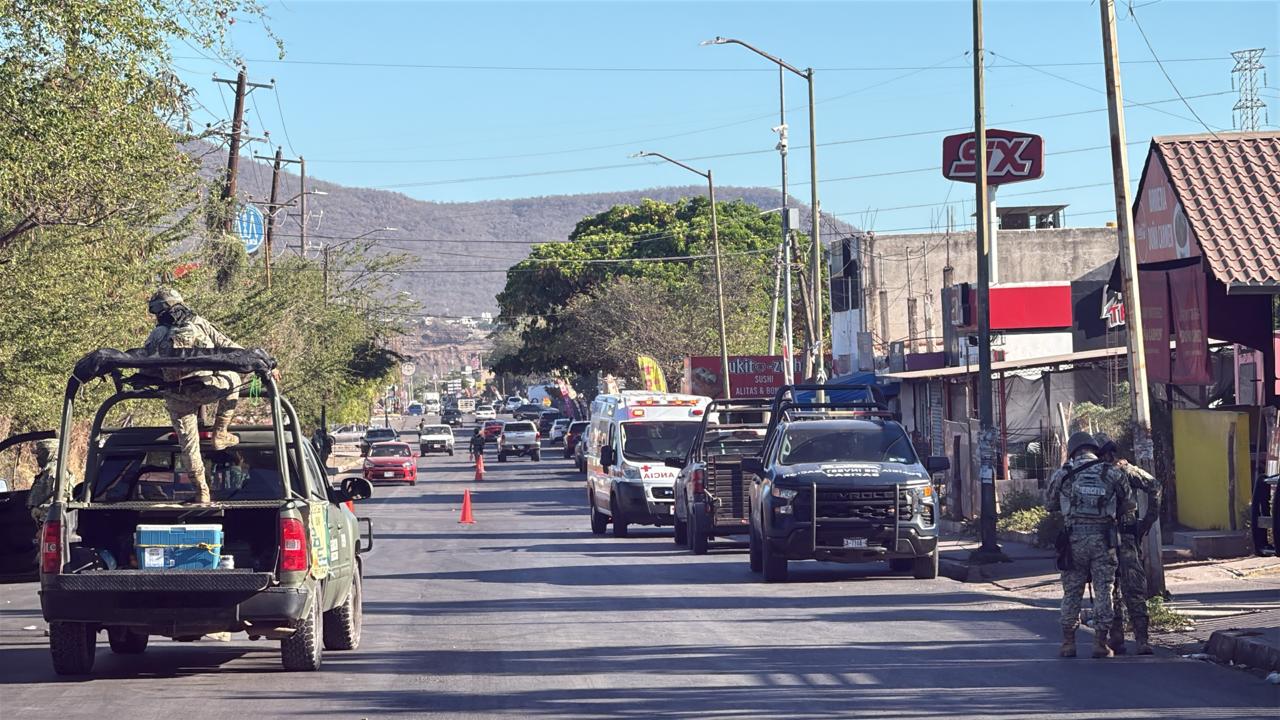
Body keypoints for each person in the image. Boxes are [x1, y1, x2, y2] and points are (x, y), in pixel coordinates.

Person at [143, 287, 243, 504]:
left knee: (188, 444)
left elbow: (145, 365)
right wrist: (265, 364)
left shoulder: (157, 333)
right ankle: (220, 432)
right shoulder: (199, 323)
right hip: (207, 388)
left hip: (176, 395)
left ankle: (201, 492)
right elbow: (230, 347)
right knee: (234, 377)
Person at [1044, 431, 1132, 659]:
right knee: (1105, 590)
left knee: (1072, 591)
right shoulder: (1112, 472)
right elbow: (1129, 503)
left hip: (1074, 541)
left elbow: (1049, 504)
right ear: (1094, 449)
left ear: (1073, 450)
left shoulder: (1064, 473)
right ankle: (1100, 643)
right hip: (1104, 540)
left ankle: (1068, 643)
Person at [1096, 432, 1162, 656]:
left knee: (1124, 588)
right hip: (1113, 538)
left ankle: (1134, 639)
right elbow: (1154, 486)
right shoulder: (1109, 471)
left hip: (1116, 538)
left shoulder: (1119, 470)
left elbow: (1154, 486)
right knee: (1116, 590)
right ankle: (1124, 639)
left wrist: (1147, 522)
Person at [27, 438, 76, 524]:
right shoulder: (48, 471)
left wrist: (43, 519)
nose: (37, 457)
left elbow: (56, 501)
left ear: (49, 453)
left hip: (49, 520)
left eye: (40, 453)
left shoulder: (55, 472)